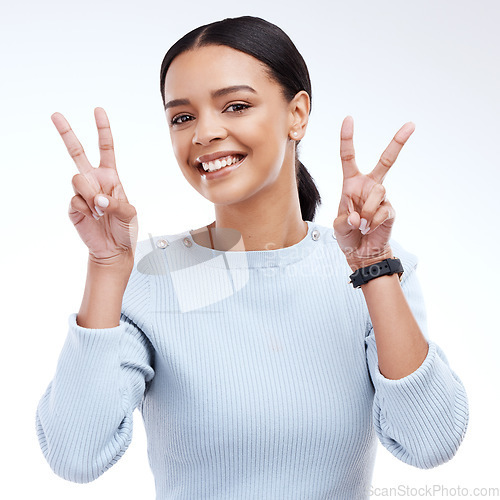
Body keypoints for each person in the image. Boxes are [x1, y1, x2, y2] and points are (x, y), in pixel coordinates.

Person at [35, 15, 469, 500]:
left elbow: (430, 443)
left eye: (235, 106)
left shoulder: (375, 270)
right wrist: (108, 268)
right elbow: (76, 455)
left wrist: (372, 265)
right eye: (182, 117)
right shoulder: (155, 276)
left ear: (297, 114)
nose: (204, 133)